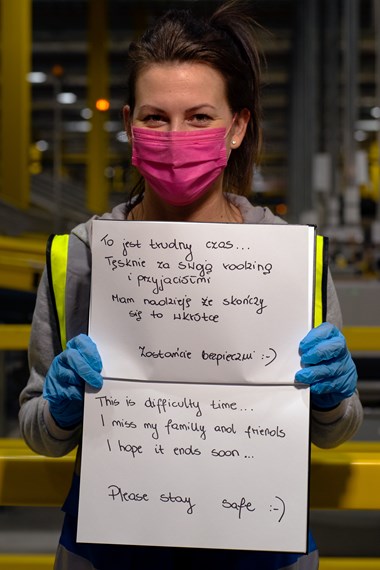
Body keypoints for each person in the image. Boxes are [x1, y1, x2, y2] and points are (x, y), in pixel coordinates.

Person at [19, 1, 363, 568]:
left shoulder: (291, 256)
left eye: (200, 117)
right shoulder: (83, 252)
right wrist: (59, 406)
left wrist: (331, 395)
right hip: (111, 546)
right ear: (130, 123)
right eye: (155, 117)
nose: (175, 135)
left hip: (260, 542)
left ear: (237, 127)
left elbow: (336, 428)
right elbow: (39, 431)